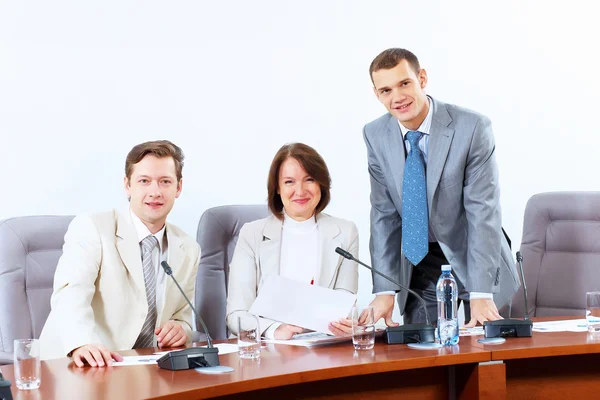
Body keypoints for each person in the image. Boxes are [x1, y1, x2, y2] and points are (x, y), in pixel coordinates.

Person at [362, 48, 520, 328]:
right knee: (422, 354)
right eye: (386, 90)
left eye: (404, 83)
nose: (397, 97)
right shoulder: (375, 134)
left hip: (475, 250)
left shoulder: (472, 127)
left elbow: (483, 212)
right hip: (421, 257)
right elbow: (383, 215)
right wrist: (384, 290)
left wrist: (481, 292)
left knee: (486, 353)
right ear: (376, 94)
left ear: (422, 79)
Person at [39, 140, 201, 366]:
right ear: (128, 185)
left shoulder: (188, 247)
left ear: (179, 187)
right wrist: (81, 343)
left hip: (147, 367)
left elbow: (183, 315)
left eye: (165, 181)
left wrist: (181, 329)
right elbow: (70, 294)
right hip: (81, 362)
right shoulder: (93, 227)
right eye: (144, 181)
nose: (155, 192)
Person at [226, 143, 358, 339]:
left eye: (309, 180)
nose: (300, 190)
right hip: (265, 351)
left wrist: (347, 323)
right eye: (289, 182)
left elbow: (346, 304)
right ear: (277, 188)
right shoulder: (252, 233)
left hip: (323, 348)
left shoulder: (345, 232)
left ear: (321, 184)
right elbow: (236, 315)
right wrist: (274, 330)